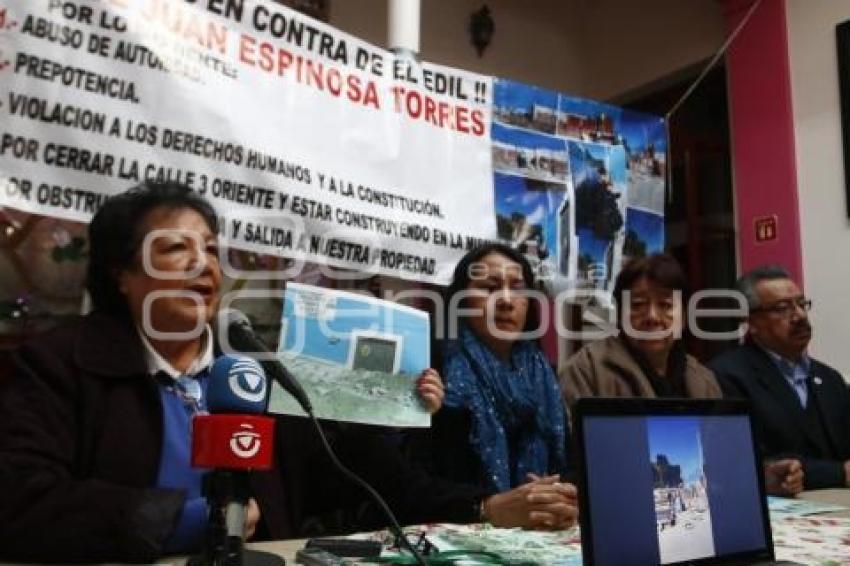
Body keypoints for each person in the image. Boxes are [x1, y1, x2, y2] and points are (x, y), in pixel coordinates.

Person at [0, 183, 576, 563]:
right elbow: (21, 499)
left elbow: (361, 479)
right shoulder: (57, 365)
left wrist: (400, 421)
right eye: (176, 249)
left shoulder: (257, 369)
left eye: (211, 250)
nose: (205, 265)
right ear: (121, 274)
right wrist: (201, 520)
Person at [428, 243, 573, 503]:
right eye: (489, 288)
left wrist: (566, 495)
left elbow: (570, 469)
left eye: (517, 289)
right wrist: (490, 507)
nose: (506, 301)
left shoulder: (543, 374)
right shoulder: (435, 365)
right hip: (459, 529)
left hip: (537, 531)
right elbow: (410, 485)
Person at [709, 265, 848, 493]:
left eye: (802, 305)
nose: (800, 316)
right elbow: (753, 460)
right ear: (751, 322)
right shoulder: (726, 376)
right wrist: (838, 473)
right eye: (783, 308)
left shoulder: (829, 378)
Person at [560, 254, 721, 405]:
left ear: (684, 318)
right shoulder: (586, 371)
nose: (652, 317)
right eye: (638, 305)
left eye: (665, 305)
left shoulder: (704, 381)